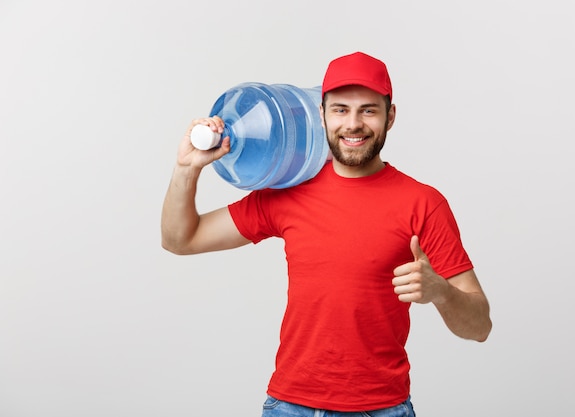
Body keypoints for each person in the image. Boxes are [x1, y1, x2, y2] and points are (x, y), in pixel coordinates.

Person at [161, 51, 492, 416]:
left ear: (390, 116)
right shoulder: (288, 189)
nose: (353, 124)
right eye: (340, 110)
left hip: (382, 409)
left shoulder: (423, 203)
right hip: (290, 406)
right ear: (321, 114)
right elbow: (181, 239)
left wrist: (441, 291)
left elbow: (479, 326)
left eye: (368, 110)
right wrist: (185, 168)